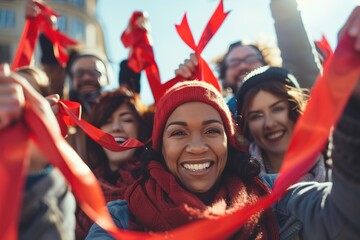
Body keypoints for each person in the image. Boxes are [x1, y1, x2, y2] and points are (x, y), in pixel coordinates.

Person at [86, 67, 360, 239]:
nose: (196, 146)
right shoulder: (119, 218)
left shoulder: (276, 195)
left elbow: (346, 217)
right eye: (179, 133)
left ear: (230, 142)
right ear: (159, 147)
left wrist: (353, 105)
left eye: (212, 131)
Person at [175, 0, 322, 116]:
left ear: (267, 64)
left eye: (251, 59)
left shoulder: (296, 91)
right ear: (224, 75)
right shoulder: (218, 119)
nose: (242, 66)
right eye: (234, 63)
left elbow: (294, 43)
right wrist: (192, 92)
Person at [9, 66, 76, 240]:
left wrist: (34, 169)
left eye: (28, 94)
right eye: (12, 92)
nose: (19, 103)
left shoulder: (57, 185)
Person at [75, 88, 152, 240]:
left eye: (127, 119)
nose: (116, 127)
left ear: (140, 129)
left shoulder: (155, 182)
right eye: (107, 121)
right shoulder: (82, 186)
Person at [235, 66, 327, 180]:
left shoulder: (336, 159)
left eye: (277, 109)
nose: (269, 124)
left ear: (296, 108)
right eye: (256, 116)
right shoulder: (237, 180)